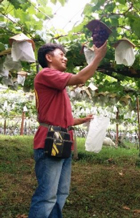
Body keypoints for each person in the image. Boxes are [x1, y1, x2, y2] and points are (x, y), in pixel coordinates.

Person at [29, 41, 108, 217]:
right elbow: (80, 78)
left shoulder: (57, 85)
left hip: (62, 138)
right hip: (52, 138)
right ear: (49, 58)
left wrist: (83, 120)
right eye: (61, 55)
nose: (65, 58)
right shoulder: (46, 74)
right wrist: (97, 58)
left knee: (61, 193)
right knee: (47, 195)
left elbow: (65, 119)